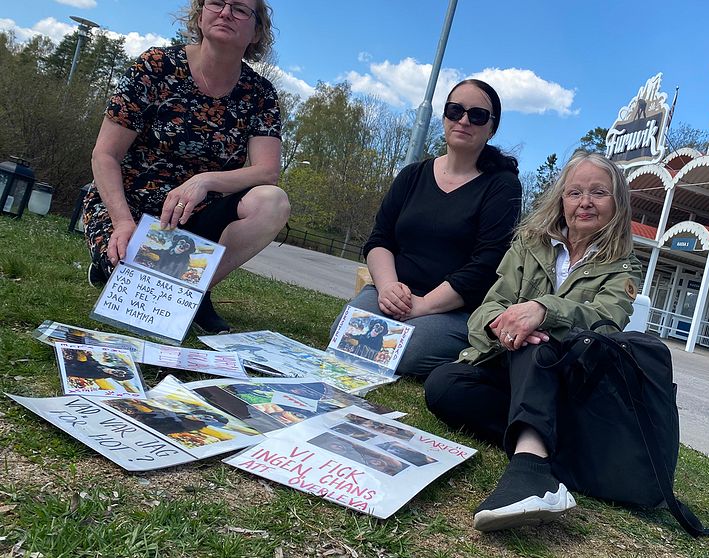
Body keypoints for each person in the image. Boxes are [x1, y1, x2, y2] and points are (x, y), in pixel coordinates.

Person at [424, 150, 642, 532]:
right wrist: (500, 324)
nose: (585, 203)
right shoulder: (530, 242)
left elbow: (607, 321)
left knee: (538, 345)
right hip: (508, 365)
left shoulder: (622, 264)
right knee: (443, 386)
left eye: (598, 193)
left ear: (617, 204)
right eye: (574, 192)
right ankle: (545, 442)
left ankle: (530, 472)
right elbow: (490, 304)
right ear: (561, 199)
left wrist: (542, 310)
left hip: (567, 378)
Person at [84, 0, 290, 334]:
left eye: (239, 9)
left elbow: (267, 171)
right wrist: (122, 222)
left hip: (200, 216)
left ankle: (195, 292)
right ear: (200, 13)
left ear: (256, 32)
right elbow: (104, 155)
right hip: (132, 207)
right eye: (217, 3)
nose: (225, 13)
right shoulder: (156, 66)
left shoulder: (260, 94)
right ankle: (110, 265)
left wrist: (204, 180)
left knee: (273, 200)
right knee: (127, 281)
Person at [331, 79, 522, 377]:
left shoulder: (502, 186)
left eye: (477, 115)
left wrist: (422, 306)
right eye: (455, 110)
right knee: (342, 334)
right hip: (395, 294)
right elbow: (380, 239)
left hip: (454, 308)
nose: (463, 120)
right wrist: (388, 289)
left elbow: (486, 264)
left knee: (408, 351)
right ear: (444, 116)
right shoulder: (412, 175)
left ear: (491, 128)